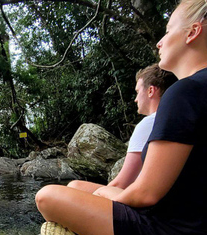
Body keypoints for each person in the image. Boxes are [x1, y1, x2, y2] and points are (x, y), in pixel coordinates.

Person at [36, 0, 207, 235]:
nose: (160, 42)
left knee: (48, 197)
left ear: (192, 32)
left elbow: (146, 194)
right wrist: (107, 194)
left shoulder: (186, 92)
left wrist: (107, 193)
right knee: (76, 186)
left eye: (167, 31)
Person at [67, 64, 176, 196]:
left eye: (137, 92)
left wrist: (97, 198)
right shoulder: (175, 118)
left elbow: (122, 183)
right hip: (163, 197)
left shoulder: (149, 123)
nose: (135, 99)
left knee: (73, 187)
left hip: (142, 202)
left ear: (151, 91)